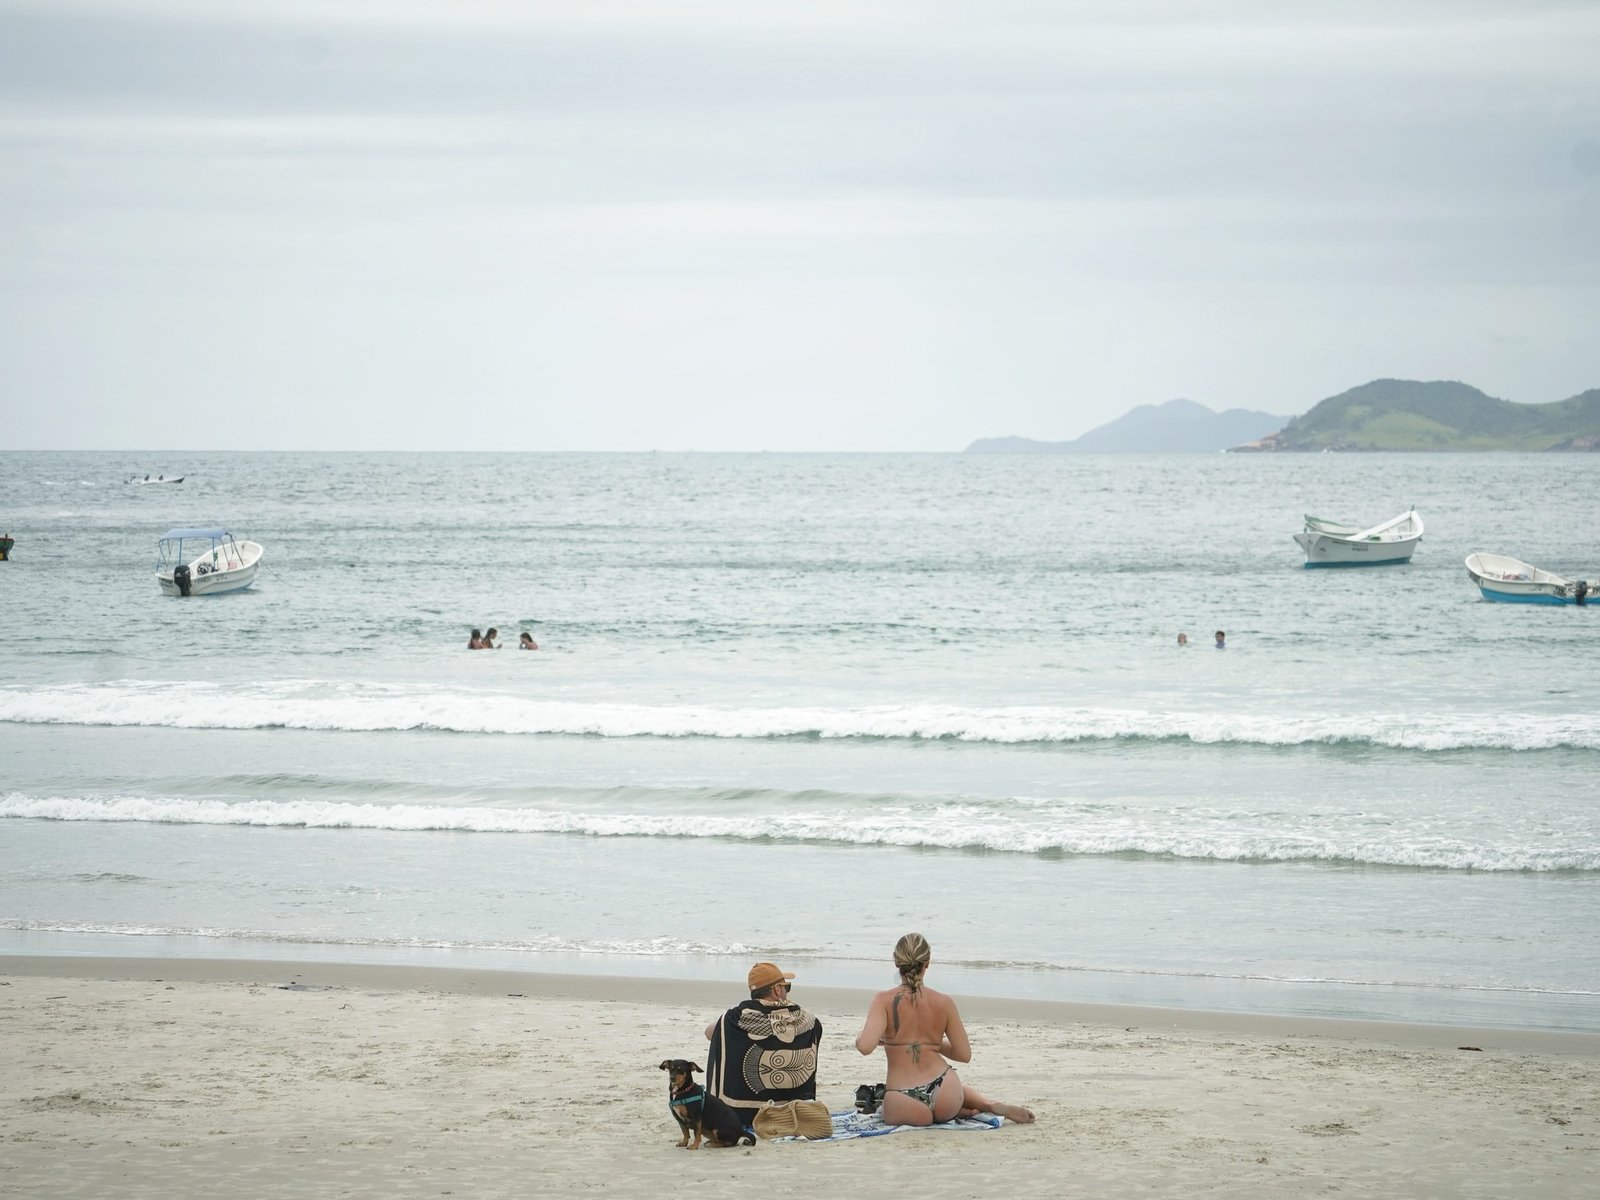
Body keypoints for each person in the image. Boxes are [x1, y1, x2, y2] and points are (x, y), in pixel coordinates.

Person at [855, 933, 1034, 1127]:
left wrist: (873, 1037)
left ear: (896, 961)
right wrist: (931, 1043)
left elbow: (865, 1047)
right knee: (957, 1095)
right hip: (946, 1090)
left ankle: (968, 1110)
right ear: (927, 963)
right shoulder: (944, 1002)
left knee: (886, 1109)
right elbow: (964, 1055)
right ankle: (986, 1104)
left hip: (904, 1098)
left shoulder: (882, 1000)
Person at [703, 962, 823, 1128]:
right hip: (794, 1110)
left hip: (742, 1114)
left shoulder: (735, 1019)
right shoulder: (807, 1020)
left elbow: (709, 1033)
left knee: (724, 1035)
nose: (786, 991)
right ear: (777, 990)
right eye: (786, 987)